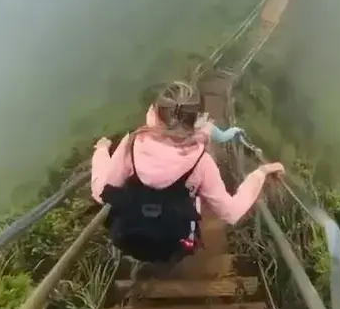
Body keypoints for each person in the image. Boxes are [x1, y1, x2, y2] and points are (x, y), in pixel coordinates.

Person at [91, 80, 283, 264]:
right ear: (196, 118)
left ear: (156, 111)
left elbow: (102, 191)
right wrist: (261, 173)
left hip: (129, 237)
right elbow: (230, 213)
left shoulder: (133, 143)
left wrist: (101, 151)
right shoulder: (201, 161)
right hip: (175, 246)